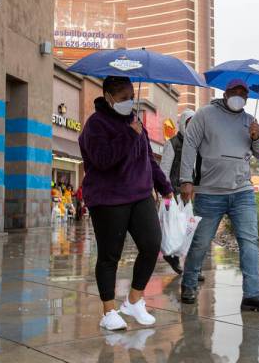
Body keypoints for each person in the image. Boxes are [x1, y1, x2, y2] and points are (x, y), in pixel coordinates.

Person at [79, 75, 174, 331]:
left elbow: (148, 159)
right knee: (110, 255)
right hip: (108, 198)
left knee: (151, 243)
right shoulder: (95, 125)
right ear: (109, 97)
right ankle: (109, 311)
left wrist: (164, 187)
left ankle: (134, 300)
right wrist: (128, 137)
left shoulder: (135, 121)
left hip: (140, 195)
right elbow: (101, 160)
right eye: (123, 98)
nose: (129, 102)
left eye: (131, 97)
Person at [179, 78, 259, 312]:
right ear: (225, 93)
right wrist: (185, 180)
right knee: (201, 243)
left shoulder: (249, 121)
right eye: (235, 91)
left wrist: (257, 136)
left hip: (242, 192)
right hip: (209, 192)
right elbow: (190, 144)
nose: (239, 96)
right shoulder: (205, 114)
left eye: (244, 94)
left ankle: (252, 295)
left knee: (249, 242)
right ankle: (189, 284)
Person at [158, 110, 196, 275]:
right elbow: (164, 169)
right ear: (182, 124)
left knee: (187, 228)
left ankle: (189, 264)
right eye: (189, 123)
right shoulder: (172, 143)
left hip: (188, 196)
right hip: (171, 195)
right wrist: (165, 194)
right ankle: (171, 255)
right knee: (170, 225)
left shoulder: (196, 144)